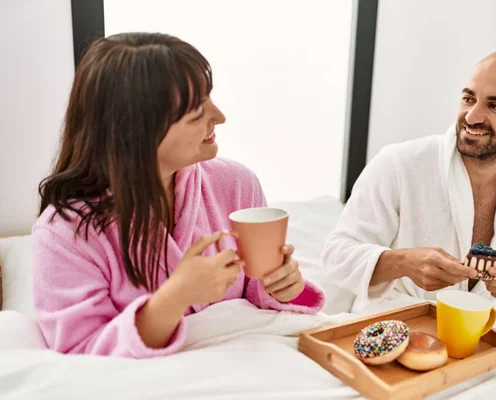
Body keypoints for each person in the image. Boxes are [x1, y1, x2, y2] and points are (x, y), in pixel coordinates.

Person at [33, 32, 324, 358]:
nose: (220, 117)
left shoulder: (236, 183)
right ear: (136, 131)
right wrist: (175, 297)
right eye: (197, 112)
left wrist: (286, 287)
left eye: (209, 99)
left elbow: (258, 291)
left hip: (244, 365)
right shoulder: (65, 231)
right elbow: (80, 351)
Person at [322, 49, 496, 339]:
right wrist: (403, 263)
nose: (472, 117)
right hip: (401, 329)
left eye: (495, 106)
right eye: (469, 98)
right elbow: (337, 255)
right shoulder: (399, 164)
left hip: (492, 340)